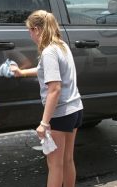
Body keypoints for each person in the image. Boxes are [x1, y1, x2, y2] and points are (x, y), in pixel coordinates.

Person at [11, 10, 83, 187]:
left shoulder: (49, 52)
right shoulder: (61, 46)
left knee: (55, 165)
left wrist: (44, 123)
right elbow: (45, 70)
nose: (30, 34)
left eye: (29, 30)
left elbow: (54, 89)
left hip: (60, 113)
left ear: (37, 29)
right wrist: (22, 72)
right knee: (67, 160)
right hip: (75, 109)